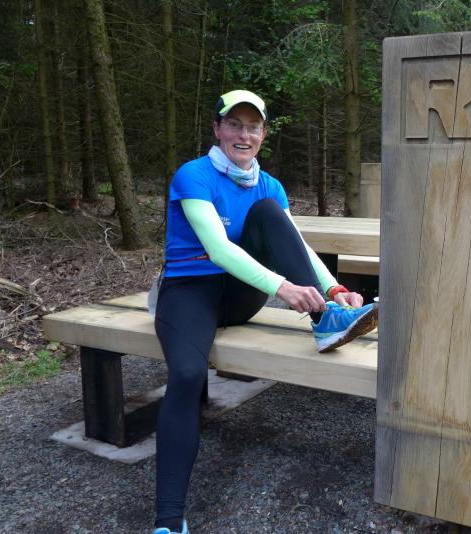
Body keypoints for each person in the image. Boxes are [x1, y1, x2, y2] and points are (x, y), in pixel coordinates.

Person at [150, 89, 378, 534]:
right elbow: (217, 249)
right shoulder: (193, 175)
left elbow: (297, 245)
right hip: (188, 292)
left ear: (263, 134)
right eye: (234, 124)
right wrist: (282, 287)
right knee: (187, 376)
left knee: (271, 211)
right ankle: (169, 521)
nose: (244, 135)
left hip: (239, 296)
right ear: (217, 129)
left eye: (253, 127)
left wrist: (333, 289)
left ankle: (326, 321)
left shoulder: (269, 185)